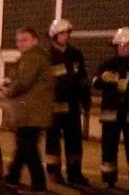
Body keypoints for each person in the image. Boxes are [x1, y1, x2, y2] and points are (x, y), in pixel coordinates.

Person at [1, 27, 55, 192]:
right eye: (18, 40)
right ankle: (13, 177)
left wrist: (8, 91)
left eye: (24, 40)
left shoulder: (32, 58)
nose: (20, 43)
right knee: (24, 146)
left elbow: (24, 82)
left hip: (32, 112)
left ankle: (36, 183)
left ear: (35, 41)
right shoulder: (33, 58)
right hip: (32, 112)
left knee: (27, 147)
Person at [45, 19, 91, 185]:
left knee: (74, 141)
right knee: (53, 142)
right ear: (54, 36)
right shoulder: (47, 56)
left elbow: (83, 79)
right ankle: (54, 173)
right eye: (62, 33)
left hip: (72, 106)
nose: (65, 36)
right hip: (54, 107)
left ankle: (75, 173)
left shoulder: (76, 54)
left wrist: (86, 101)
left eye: (67, 33)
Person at [92, 27, 129, 188]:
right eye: (119, 46)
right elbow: (95, 82)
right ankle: (109, 179)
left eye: (125, 46)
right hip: (110, 114)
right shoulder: (107, 65)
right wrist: (113, 82)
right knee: (108, 148)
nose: (122, 48)